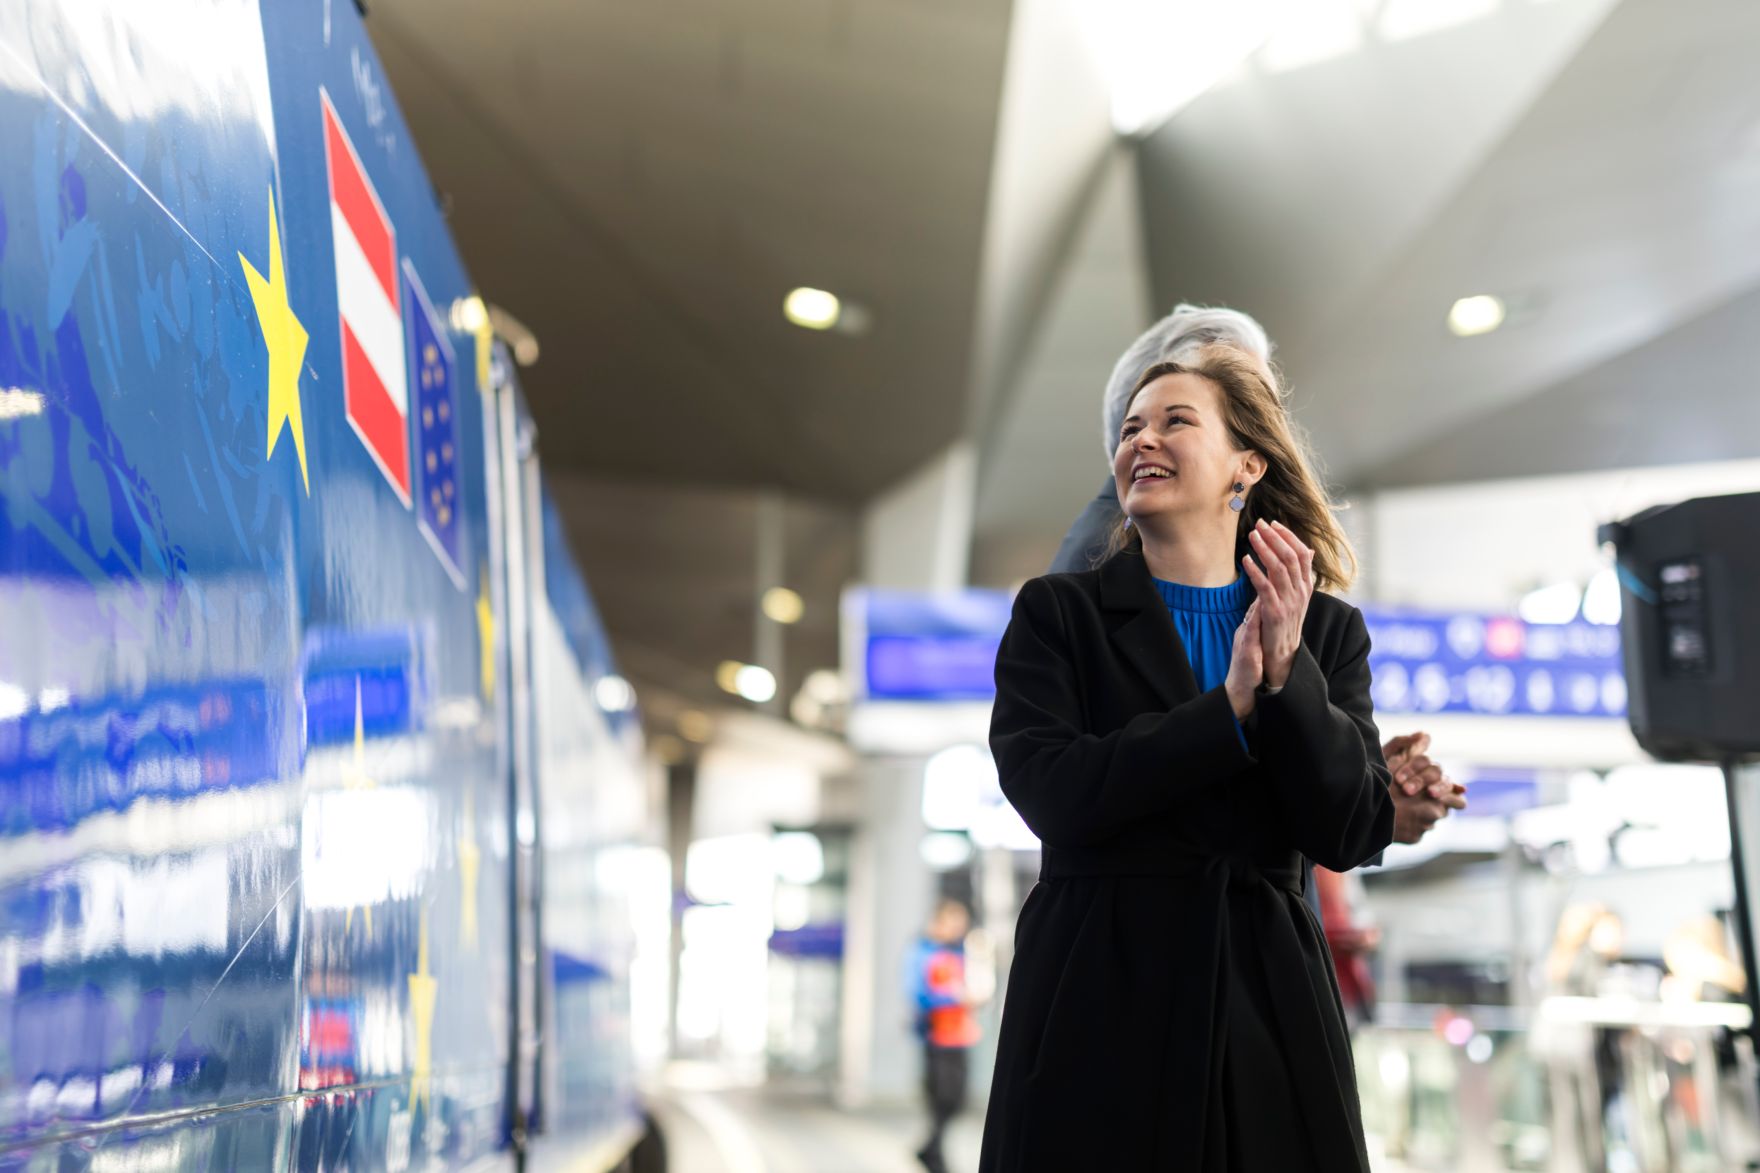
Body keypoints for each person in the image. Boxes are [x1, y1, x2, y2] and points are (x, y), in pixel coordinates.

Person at [979, 343, 1391, 1170]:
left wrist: (1286, 680)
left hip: (1268, 1006)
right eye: (1131, 428)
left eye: (1175, 420)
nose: (1143, 441)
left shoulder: (1324, 631)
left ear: (1247, 464)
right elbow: (1050, 790)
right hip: (1098, 993)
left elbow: (1353, 830)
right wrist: (1227, 711)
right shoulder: (1061, 614)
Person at [1049, 305, 1467, 865]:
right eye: (1237, 394)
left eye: (1261, 400)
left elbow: (1336, 825)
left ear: (1248, 464)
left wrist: (1368, 795)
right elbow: (1077, 796)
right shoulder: (1093, 571)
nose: (1265, 418)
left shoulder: (1306, 611)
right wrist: (1232, 710)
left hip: (1270, 942)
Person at [908, 898, 982, 1173]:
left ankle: (930, 1149)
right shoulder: (921, 953)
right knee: (942, 1098)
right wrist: (954, 997)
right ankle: (934, 1155)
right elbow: (919, 995)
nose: (958, 929)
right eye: (954, 922)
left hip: (960, 1035)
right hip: (937, 1037)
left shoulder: (958, 954)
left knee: (956, 1100)